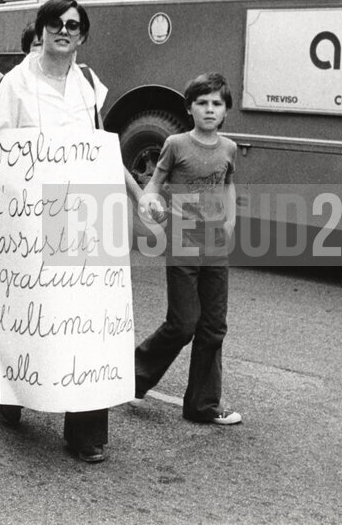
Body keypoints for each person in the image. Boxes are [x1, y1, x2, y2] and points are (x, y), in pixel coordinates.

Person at [0, 0, 142, 464]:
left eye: (72, 26)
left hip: (86, 211)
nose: (63, 32)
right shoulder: (16, 83)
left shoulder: (88, 83)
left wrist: (136, 193)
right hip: (28, 217)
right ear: (42, 30)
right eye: (55, 24)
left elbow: (103, 148)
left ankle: (86, 431)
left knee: (89, 320)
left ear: (82, 35)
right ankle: (12, 385)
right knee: (36, 313)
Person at [133, 73, 240, 426]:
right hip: (183, 239)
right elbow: (153, 185)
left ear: (225, 111)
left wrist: (230, 221)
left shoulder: (228, 148)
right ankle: (132, 377)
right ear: (190, 108)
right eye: (202, 103)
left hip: (215, 244)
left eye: (217, 104)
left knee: (213, 325)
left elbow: (228, 187)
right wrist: (149, 203)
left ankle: (203, 405)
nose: (210, 110)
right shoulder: (176, 144)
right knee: (183, 324)